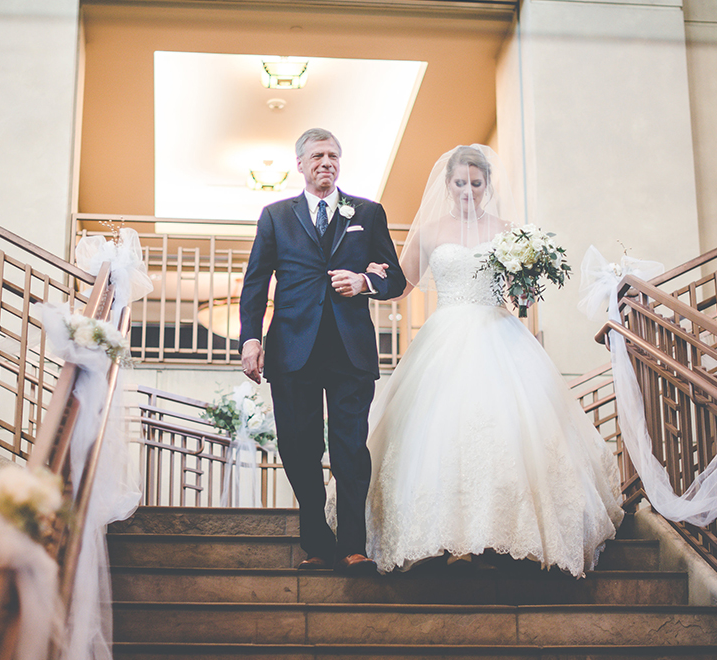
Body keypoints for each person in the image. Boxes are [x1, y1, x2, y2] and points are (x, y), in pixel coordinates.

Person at [363, 144, 624, 576]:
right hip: (444, 336)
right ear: (447, 184)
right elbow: (403, 284)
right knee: (443, 431)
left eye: (476, 183)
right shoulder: (428, 230)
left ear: (487, 184)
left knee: (508, 429)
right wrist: (369, 279)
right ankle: (446, 536)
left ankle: (500, 534)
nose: (468, 191)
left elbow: (522, 295)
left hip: (499, 333)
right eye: (460, 183)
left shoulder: (507, 231)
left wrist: (528, 285)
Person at [238, 128, 407, 573]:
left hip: (350, 351)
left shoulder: (367, 213)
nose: (326, 162)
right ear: (300, 164)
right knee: (299, 449)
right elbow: (255, 282)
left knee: (350, 450)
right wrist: (251, 339)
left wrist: (364, 281)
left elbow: (395, 278)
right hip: (292, 351)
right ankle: (316, 544)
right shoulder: (276, 216)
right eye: (317, 156)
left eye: (332, 155)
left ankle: (353, 547)